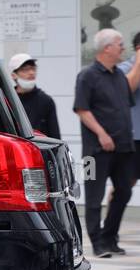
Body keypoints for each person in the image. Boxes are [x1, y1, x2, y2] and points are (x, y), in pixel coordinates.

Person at [74, 28, 140, 257]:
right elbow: (82, 110)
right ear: (107, 48)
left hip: (123, 148)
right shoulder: (87, 76)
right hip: (95, 151)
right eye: (120, 44)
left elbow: (125, 108)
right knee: (94, 197)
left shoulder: (120, 76)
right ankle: (97, 243)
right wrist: (102, 134)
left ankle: (110, 237)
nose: (123, 47)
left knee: (124, 192)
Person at [9, 54, 59, 139]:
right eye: (25, 69)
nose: (31, 72)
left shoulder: (46, 101)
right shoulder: (7, 100)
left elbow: (55, 136)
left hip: (40, 151)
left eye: (33, 68)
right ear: (14, 75)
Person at [119, 31, 140, 186]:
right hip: (134, 139)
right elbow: (126, 90)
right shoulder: (124, 69)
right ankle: (113, 211)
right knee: (125, 185)